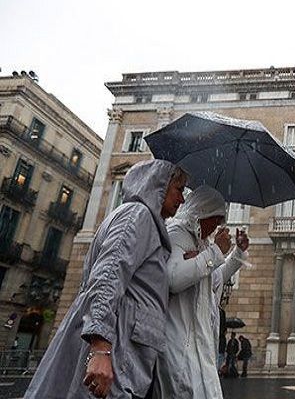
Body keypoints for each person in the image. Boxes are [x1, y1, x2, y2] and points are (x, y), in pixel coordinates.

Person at [24, 159, 186, 399]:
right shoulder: (137, 215)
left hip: (127, 348)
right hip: (117, 345)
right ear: (160, 185)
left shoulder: (149, 223)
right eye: (179, 189)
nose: (182, 199)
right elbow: (108, 276)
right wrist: (101, 347)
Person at [153, 185, 249, 398]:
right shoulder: (176, 233)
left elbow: (215, 280)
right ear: (202, 213)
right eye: (216, 218)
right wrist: (215, 251)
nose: (218, 225)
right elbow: (174, 279)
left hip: (201, 340)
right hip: (180, 341)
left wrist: (237, 253)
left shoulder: (203, 243)